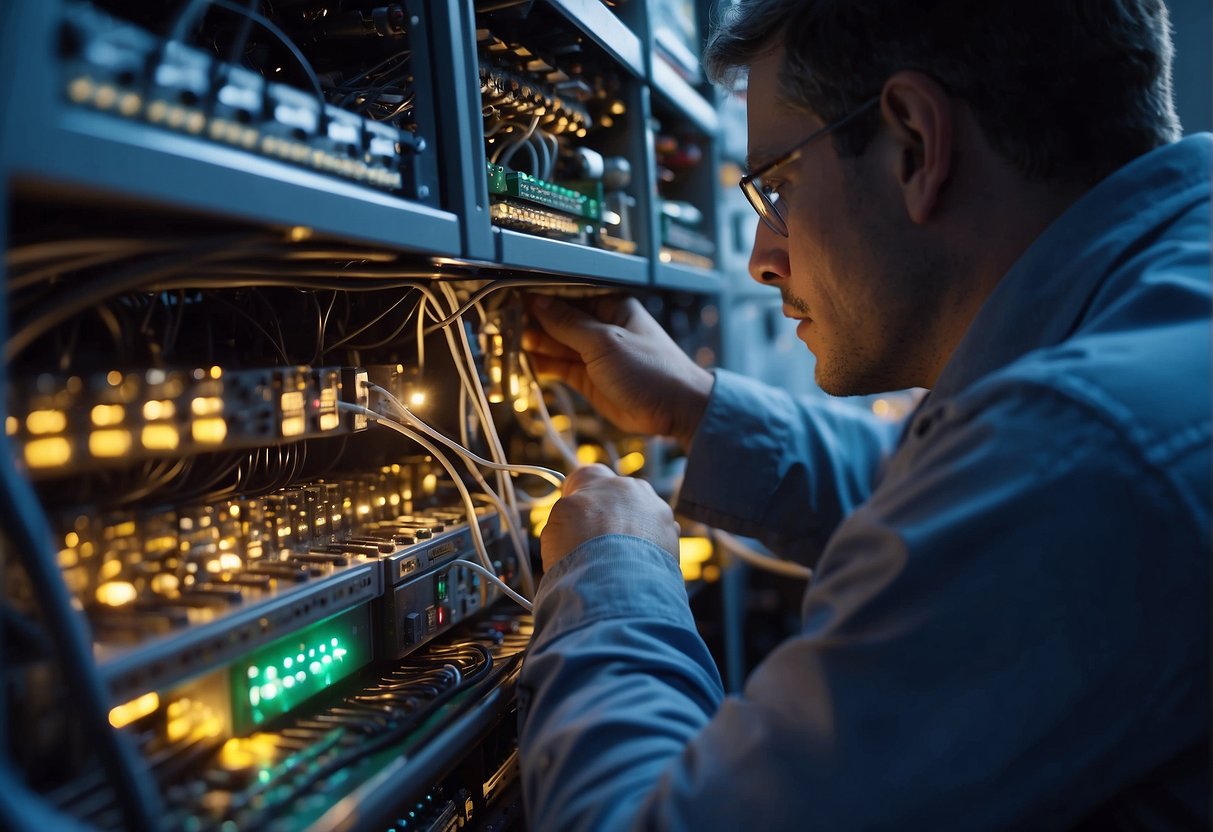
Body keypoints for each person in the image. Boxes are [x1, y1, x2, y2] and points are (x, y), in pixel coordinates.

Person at [517, 0, 1211, 828]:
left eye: (775, 185)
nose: (760, 259)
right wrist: (698, 412)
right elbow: (950, 488)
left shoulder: (1083, 449)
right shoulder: (1160, 311)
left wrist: (611, 567)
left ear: (914, 144)